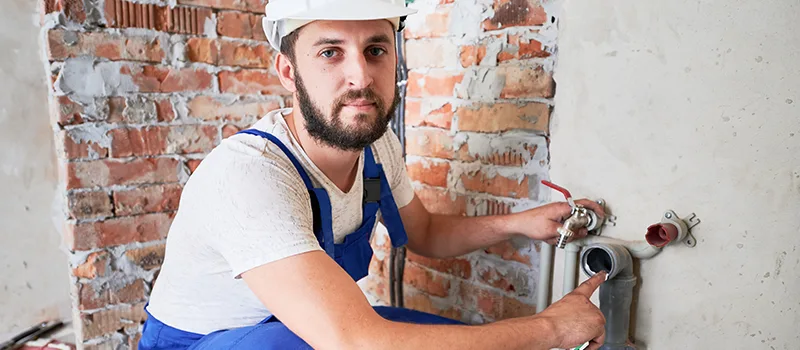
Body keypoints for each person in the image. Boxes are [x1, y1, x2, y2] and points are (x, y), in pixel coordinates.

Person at [139, 0, 608, 349]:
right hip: (208, 342)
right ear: (287, 70)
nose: (360, 77)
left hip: (317, 332)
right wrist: (551, 328)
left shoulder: (375, 143)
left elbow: (423, 232)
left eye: (376, 50)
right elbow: (354, 341)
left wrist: (516, 223)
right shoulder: (250, 174)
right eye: (330, 53)